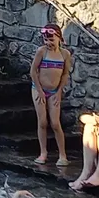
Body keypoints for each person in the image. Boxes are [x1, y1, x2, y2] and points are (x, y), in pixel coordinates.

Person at [29, 24, 74, 166]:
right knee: (42, 122)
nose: (48, 43)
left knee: (55, 123)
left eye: (51, 40)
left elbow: (65, 73)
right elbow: (33, 72)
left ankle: (62, 154)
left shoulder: (65, 54)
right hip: (39, 89)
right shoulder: (41, 52)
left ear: (59, 38)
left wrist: (59, 91)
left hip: (54, 91)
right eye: (45, 40)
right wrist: (40, 91)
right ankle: (43, 153)